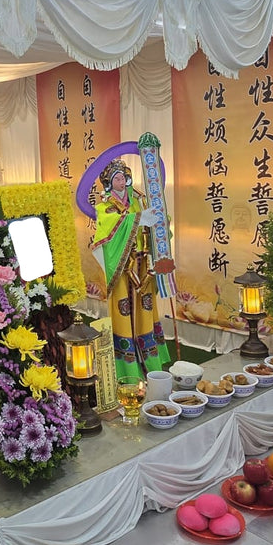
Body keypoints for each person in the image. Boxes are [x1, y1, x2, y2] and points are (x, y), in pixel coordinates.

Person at [91, 160, 170, 381]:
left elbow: (150, 218)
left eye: (123, 177)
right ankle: (127, 367)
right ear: (108, 183)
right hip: (122, 266)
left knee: (145, 308)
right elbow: (108, 227)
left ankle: (150, 359)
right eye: (116, 178)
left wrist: (159, 218)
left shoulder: (137, 199)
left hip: (142, 262)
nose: (120, 181)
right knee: (123, 309)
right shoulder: (105, 204)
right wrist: (137, 219)